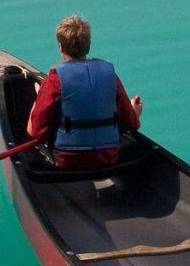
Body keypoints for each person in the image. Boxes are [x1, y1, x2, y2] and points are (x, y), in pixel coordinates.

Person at [25, 14, 142, 169]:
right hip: (108, 158)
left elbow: (37, 133)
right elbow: (131, 123)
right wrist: (135, 111)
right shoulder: (111, 76)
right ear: (88, 45)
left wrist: (35, 104)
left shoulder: (54, 82)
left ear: (60, 46)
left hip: (67, 162)